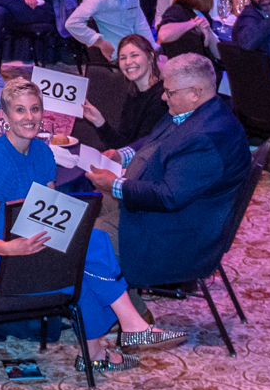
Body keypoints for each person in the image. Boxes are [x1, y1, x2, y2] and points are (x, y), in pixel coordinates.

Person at [0, 79, 186, 374]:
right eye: (19, 110)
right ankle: (123, 331)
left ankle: (97, 349)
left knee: (89, 249)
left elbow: (49, 213)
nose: (29, 117)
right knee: (89, 251)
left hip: (31, 249)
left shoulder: (42, 152)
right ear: (4, 116)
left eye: (35, 109)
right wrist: (11, 248)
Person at [91, 54, 246, 350]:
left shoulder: (207, 137)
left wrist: (116, 185)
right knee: (84, 209)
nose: (163, 97)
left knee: (89, 241)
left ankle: (133, 321)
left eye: (169, 92)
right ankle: (106, 304)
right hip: (171, 216)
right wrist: (122, 155)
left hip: (180, 237)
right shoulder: (195, 112)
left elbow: (168, 196)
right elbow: (154, 140)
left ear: (195, 92)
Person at [76, 33, 167, 151]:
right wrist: (99, 121)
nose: (128, 62)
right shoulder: (134, 94)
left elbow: (144, 149)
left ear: (150, 57)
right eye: (123, 58)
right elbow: (122, 143)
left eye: (134, 55)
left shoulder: (162, 98)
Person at [150, 0, 218, 62]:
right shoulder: (177, 11)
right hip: (185, 67)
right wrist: (193, 23)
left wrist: (209, 32)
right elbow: (163, 35)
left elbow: (219, 55)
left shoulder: (200, 11)